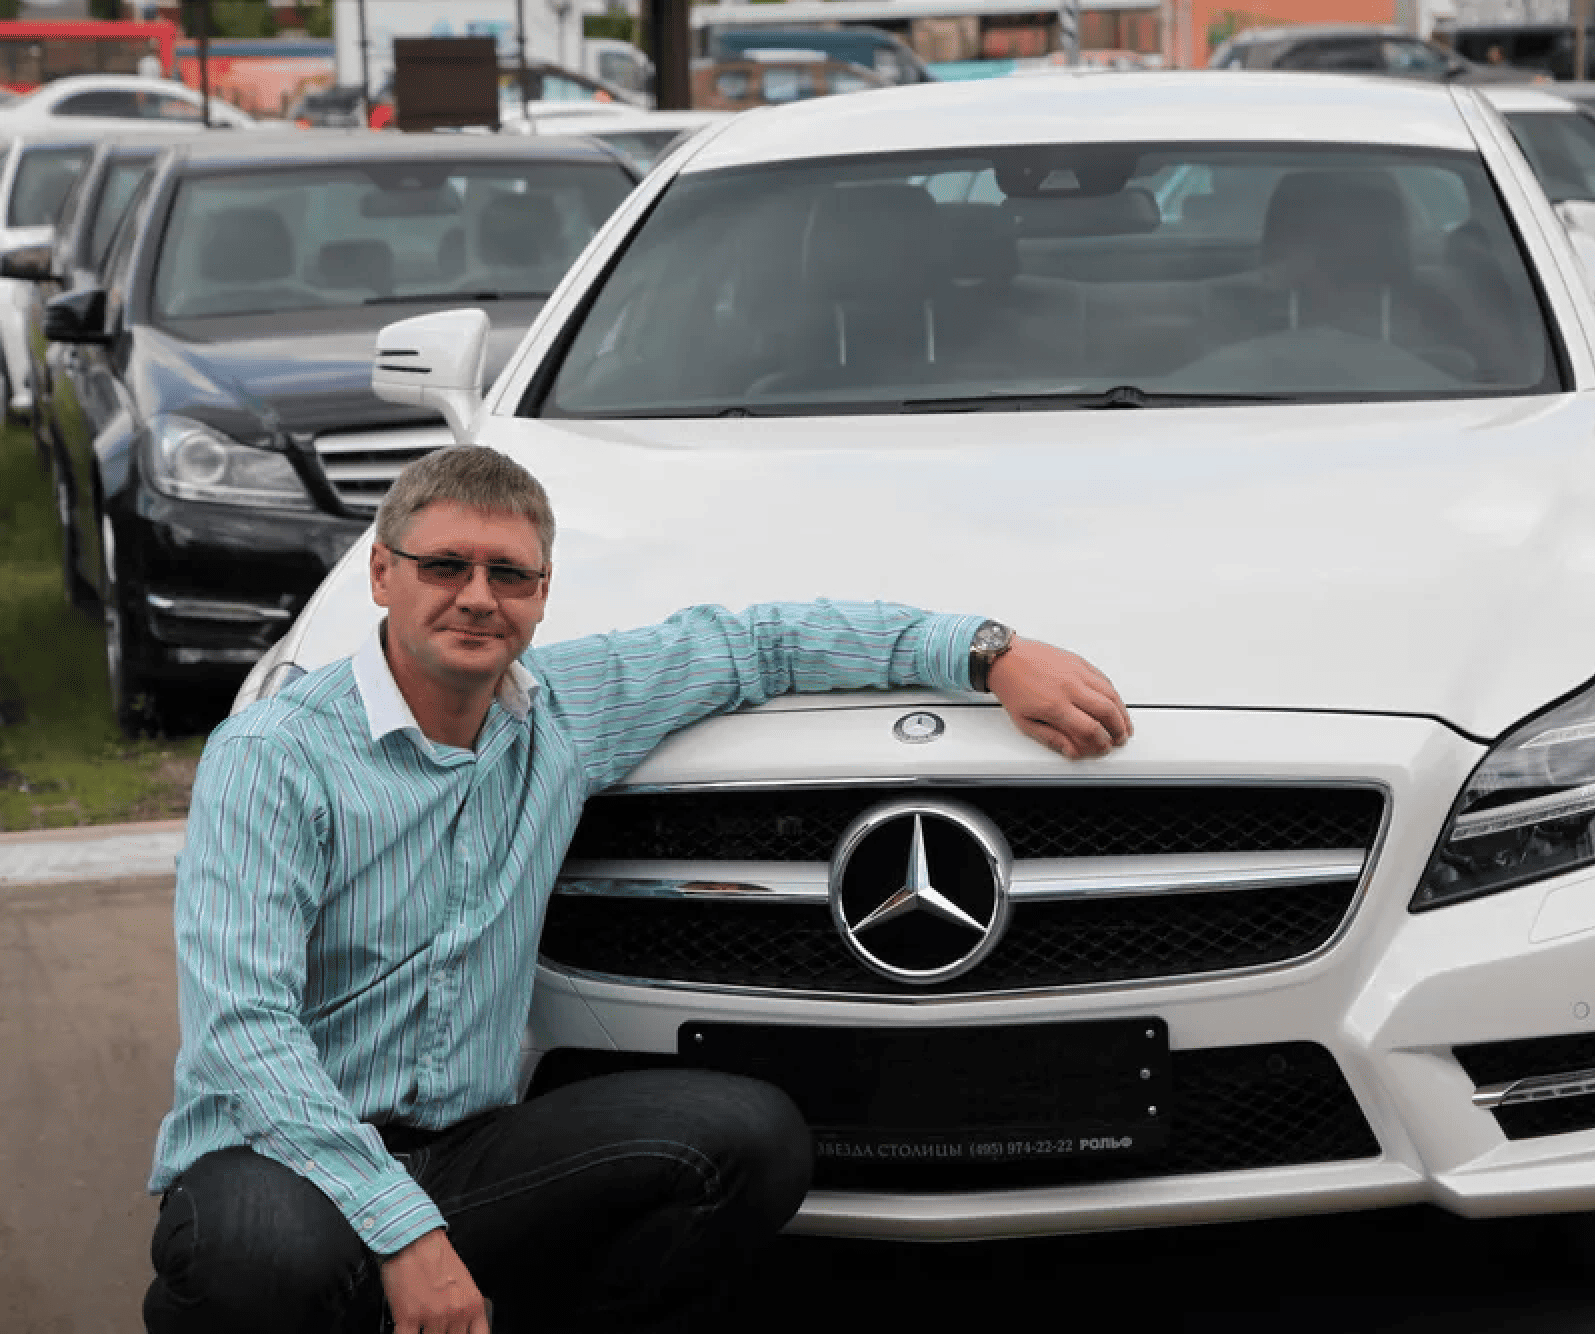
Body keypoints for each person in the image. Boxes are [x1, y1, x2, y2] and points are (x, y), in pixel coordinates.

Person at [144, 445, 1133, 1334]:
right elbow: (242, 1031)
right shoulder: (273, 755)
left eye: (509, 573)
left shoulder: (563, 713)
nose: (477, 597)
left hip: (467, 1147)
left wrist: (988, 653)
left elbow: (758, 644)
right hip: (278, 1151)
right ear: (381, 573)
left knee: (746, 1138)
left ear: (541, 592)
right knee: (265, 1263)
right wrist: (405, 1234)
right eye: (444, 565)